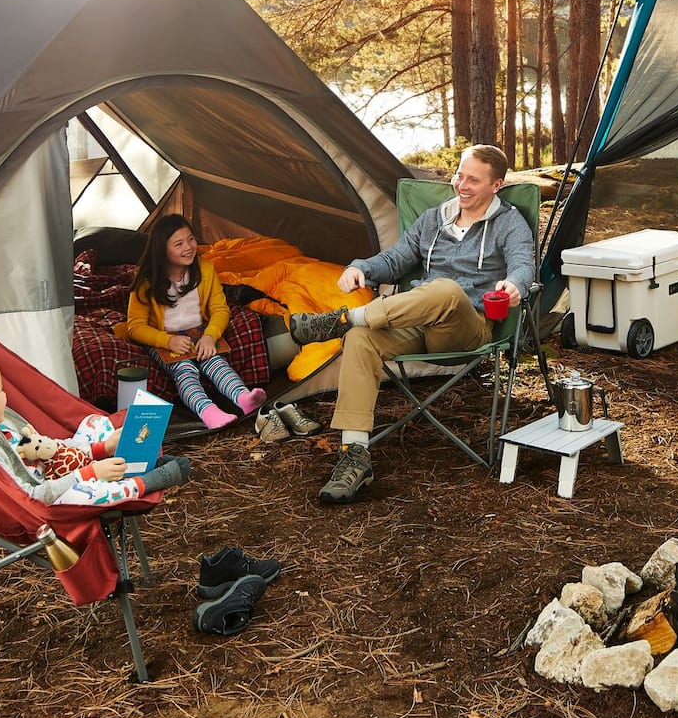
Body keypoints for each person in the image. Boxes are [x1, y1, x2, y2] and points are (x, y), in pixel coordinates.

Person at [287, 144, 536, 504]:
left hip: (467, 329)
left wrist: (516, 284)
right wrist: (361, 268)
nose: (462, 185)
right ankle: (354, 455)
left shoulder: (509, 223)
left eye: (474, 180)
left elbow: (523, 263)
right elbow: (396, 258)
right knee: (360, 339)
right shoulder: (434, 218)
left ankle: (341, 320)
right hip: (419, 326)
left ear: (496, 185)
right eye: (459, 175)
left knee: (446, 291)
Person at [0, 353, 192, 506]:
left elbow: (43, 445)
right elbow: (30, 497)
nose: (6, 396)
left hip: (54, 466)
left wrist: (98, 448)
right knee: (87, 496)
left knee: (93, 422)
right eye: (0, 391)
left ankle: (129, 459)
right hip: (49, 493)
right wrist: (88, 474)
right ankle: (143, 481)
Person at [118, 214, 266, 430]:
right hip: (165, 341)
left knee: (215, 361)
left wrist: (210, 335)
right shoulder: (147, 280)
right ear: (162, 250)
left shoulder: (205, 269)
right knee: (184, 368)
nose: (188, 247)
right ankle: (208, 412)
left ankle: (244, 398)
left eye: (191, 239)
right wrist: (167, 341)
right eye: (179, 244)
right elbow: (135, 327)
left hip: (198, 333)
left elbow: (220, 309)